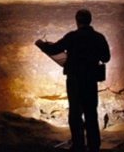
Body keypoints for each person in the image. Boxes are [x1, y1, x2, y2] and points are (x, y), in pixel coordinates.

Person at [36, 9, 111, 151]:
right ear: (90, 20)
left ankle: (78, 144)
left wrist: (42, 45)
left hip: (75, 80)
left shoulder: (72, 37)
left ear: (77, 21)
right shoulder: (99, 37)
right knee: (91, 112)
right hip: (90, 80)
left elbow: (55, 49)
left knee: (76, 113)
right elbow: (106, 58)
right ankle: (94, 145)